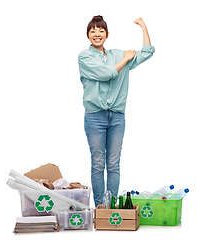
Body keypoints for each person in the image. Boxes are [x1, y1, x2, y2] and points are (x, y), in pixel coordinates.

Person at [78, 15, 155, 207]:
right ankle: (99, 208)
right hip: (95, 117)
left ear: (107, 34)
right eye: (93, 31)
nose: (97, 34)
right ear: (88, 35)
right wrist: (126, 60)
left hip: (118, 117)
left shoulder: (118, 54)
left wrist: (143, 26)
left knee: (113, 164)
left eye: (101, 30)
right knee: (98, 164)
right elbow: (106, 74)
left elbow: (147, 52)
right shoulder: (84, 57)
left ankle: (111, 207)